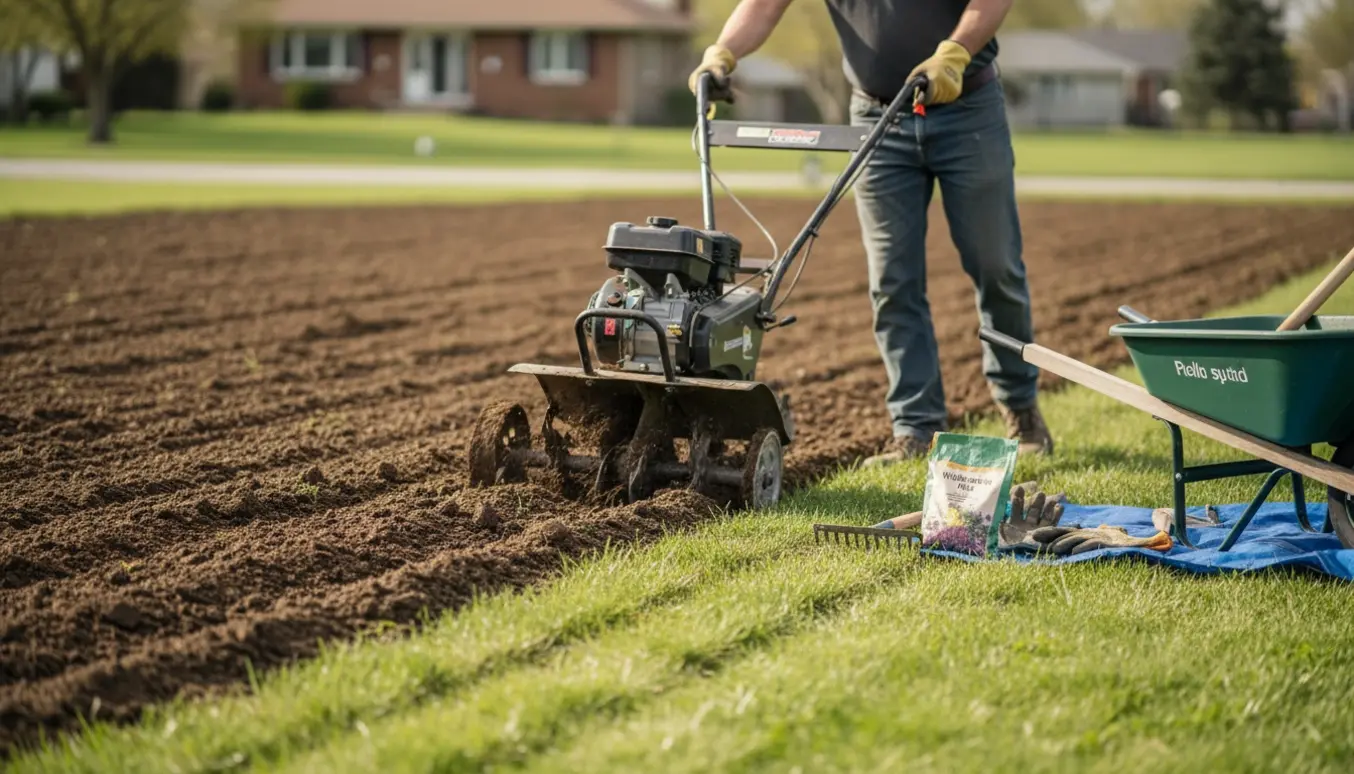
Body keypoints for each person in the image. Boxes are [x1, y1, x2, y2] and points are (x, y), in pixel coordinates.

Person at [687, 0, 1054, 463]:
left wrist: (955, 52)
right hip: (877, 118)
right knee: (892, 280)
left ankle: (1020, 407)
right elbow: (763, 5)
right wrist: (722, 52)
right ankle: (915, 427)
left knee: (995, 264)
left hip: (967, 110)